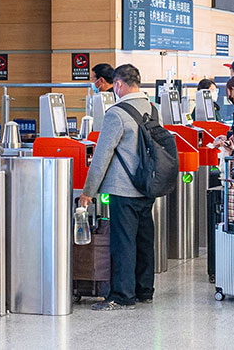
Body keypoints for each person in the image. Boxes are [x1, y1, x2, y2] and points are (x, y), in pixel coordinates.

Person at [79, 64, 157, 311]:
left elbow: (102, 154)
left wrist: (88, 191)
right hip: (147, 185)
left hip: (123, 188)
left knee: (123, 242)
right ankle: (144, 289)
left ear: (119, 84)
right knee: (144, 239)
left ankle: (122, 295)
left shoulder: (116, 113)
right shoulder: (152, 108)